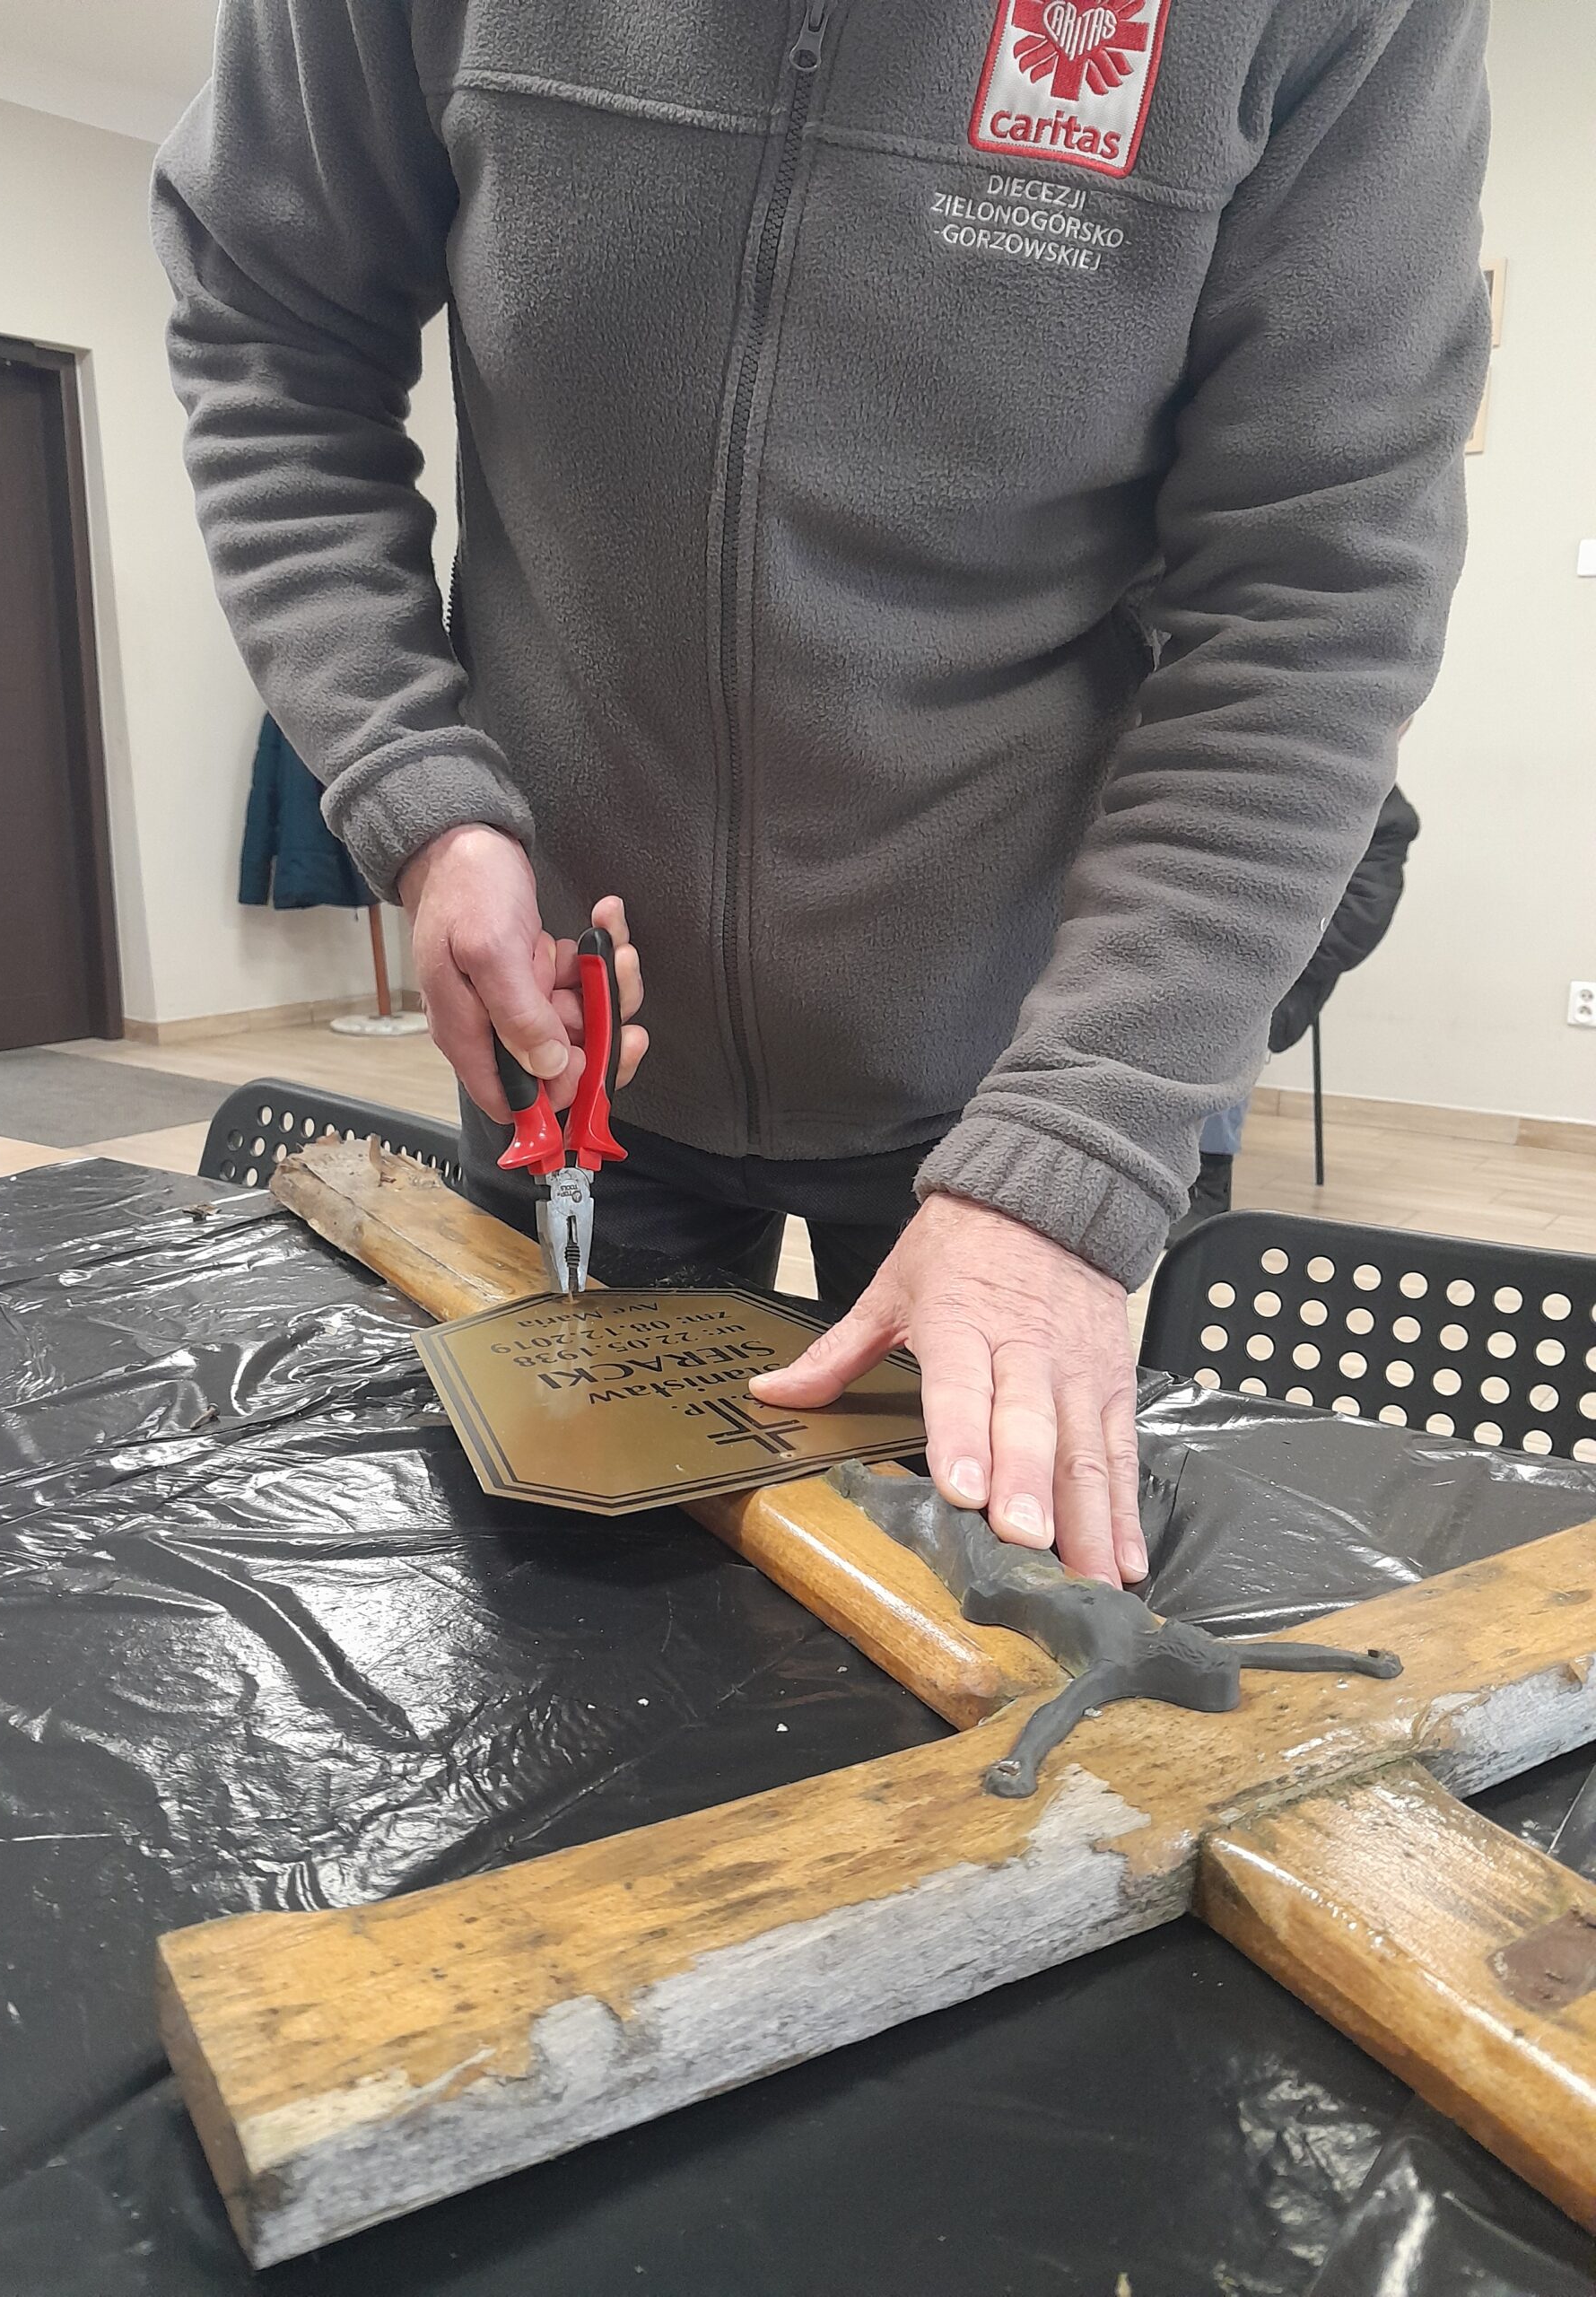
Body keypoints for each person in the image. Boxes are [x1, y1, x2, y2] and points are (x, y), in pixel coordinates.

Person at [153, 1, 1488, 1587]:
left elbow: (1316, 595)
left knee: (1001, 1631)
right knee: (554, 1616)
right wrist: (422, 799)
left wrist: (1081, 1144)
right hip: (574, 1032)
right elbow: (272, 340)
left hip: (1016, 1071)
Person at [1175, 781, 1423, 1236]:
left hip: (1282, 976)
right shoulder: (1246, 779)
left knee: (1227, 1012)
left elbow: (1356, 924)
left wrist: (1259, 958)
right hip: (1190, 945)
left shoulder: (1384, 815)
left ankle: (1208, 1180)